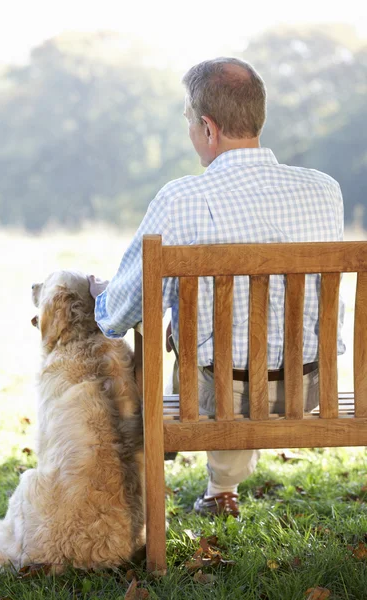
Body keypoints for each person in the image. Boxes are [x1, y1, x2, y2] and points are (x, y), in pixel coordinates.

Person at [89, 57, 345, 517]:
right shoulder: (324, 189)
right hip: (309, 389)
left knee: (211, 354)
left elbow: (119, 313)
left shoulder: (182, 197)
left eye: (189, 121)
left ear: (208, 127)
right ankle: (219, 489)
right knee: (236, 344)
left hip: (216, 398)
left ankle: (164, 463)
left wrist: (99, 296)